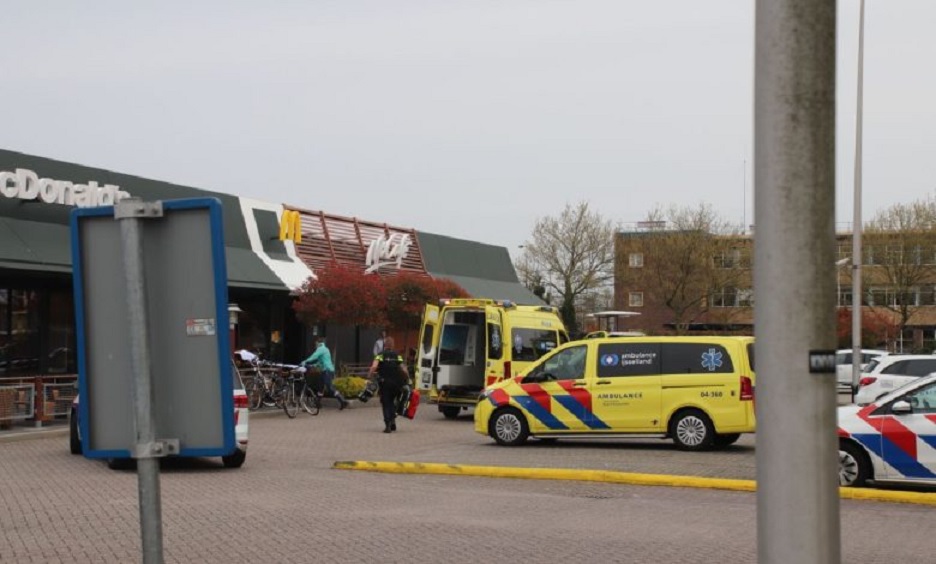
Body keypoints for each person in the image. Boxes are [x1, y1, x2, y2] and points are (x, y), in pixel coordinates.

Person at [366, 336, 408, 433]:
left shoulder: (380, 355)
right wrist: (407, 379)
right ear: (392, 345)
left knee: (386, 403)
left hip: (385, 384)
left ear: (385, 345)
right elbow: (403, 369)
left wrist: (369, 376)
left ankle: (388, 425)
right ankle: (393, 420)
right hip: (397, 384)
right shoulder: (397, 355)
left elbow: (374, 367)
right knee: (393, 402)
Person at [301, 337, 349, 410]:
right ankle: (318, 404)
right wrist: (311, 365)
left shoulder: (321, 349)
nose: (315, 346)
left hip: (327, 370)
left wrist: (305, 361)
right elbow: (320, 362)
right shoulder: (326, 349)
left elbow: (314, 356)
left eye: (315, 344)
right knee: (321, 387)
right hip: (326, 370)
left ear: (317, 343)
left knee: (329, 387)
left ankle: (342, 400)